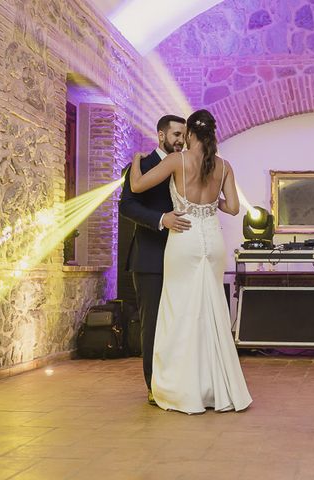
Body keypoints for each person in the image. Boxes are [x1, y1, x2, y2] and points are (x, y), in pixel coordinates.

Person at [129, 109, 252, 414]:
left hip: (184, 238)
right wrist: (211, 203)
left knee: (179, 311)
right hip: (212, 241)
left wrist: (134, 161)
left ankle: (183, 387)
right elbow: (234, 208)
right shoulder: (223, 166)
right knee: (212, 311)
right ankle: (216, 387)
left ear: (191, 135)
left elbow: (136, 187)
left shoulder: (177, 160)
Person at [119, 115, 192, 406]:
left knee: (178, 323)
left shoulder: (186, 166)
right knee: (152, 324)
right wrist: (161, 219)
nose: (180, 140)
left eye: (184, 135)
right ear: (160, 135)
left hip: (183, 256)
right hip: (150, 258)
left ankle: (177, 380)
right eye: (175, 134)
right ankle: (154, 386)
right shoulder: (141, 167)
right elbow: (127, 205)